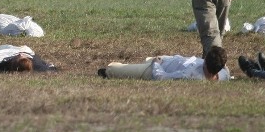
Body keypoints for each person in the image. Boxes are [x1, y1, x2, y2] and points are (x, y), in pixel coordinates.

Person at [98, 46, 230, 81]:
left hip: (157, 67)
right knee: (146, 59)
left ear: (206, 63)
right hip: (170, 59)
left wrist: (156, 63)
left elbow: (161, 78)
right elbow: (226, 69)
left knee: (114, 70)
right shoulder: (224, 74)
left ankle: (109, 72)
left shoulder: (189, 75)